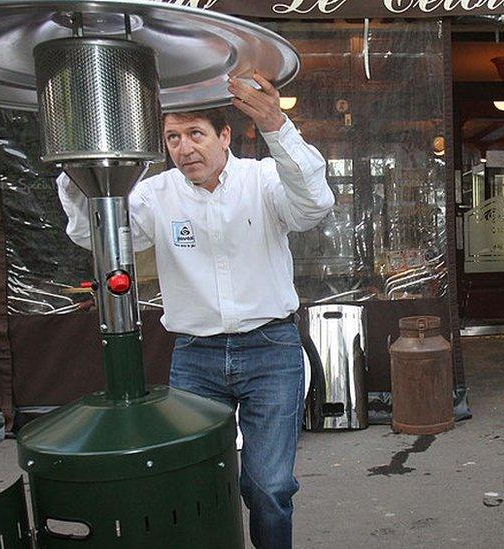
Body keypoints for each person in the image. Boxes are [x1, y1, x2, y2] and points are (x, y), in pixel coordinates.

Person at [57, 72, 334, 549]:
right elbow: (94, 236)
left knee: (268, 486)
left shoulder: (264, 180)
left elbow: (314, 204)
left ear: (224, 136)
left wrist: (276, 126)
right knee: (195, 483)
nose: (184, 148)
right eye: (172, 138)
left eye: (196, 134)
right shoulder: (155, 194)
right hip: (196, 356)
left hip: (271, 351)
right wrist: (81, 166)